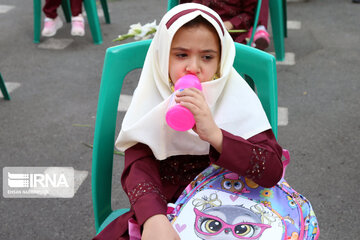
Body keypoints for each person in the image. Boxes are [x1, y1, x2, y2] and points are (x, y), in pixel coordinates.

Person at [93, 3, 283, 240]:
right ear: (162, 57)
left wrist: (216, 135)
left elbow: (272, 171)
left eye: (207, 57)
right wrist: (153, 217)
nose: (193, 67)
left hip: (230, 212)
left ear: (220, 61)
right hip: (166, 209)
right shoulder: (153, 96)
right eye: (181, 55)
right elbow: (138, 167)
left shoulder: (235, 97)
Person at [180, 0, 271, 50]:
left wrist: (231, 23)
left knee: (236, 49)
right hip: (203, 26)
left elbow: (249, 14)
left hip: (232, 32)